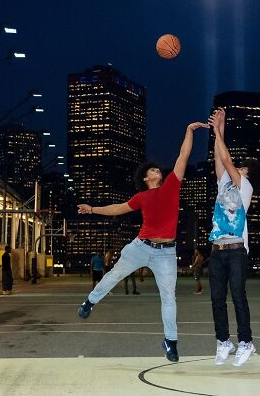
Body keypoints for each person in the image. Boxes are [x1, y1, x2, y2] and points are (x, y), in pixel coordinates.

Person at [76, 121, 209, 362]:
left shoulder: (171, 185)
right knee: (115, 274)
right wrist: (92, 208)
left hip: (166, 253)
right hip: (140, 247)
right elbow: (118, 208)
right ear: (146, 177)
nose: (159, 171)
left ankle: (170, 342)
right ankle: (90, 301)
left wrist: (188, 130)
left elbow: (183, 155)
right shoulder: (141, 196)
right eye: (154, 170)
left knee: (169, 297)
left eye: (159, 169)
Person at [207, 108, 260, 367]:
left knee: (238, 296)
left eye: (242, 166)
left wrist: (219, 131)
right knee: (217, 299)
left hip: (236, 250)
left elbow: (228, 160)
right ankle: (223, 341)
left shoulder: (245, 186)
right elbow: (220, 160)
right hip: (217, 250)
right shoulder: (225, 183)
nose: (237, 166)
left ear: (247, 172)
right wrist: (220, 128)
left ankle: (246, 342)